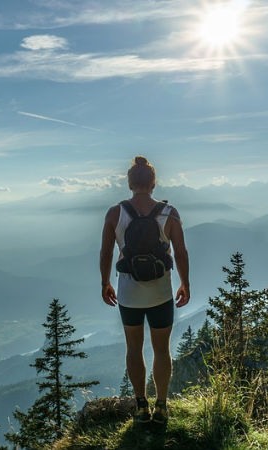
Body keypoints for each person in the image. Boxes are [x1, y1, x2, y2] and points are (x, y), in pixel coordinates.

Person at [100, 155, 190, 425]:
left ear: (129, 183)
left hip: (129, 293)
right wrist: (185, 282)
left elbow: (106, 252)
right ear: (153, 183)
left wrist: (105, 282)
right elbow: (181, 251)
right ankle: (161, 406)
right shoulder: (169, 213)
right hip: (161, 293)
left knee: (134, 348)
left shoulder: (115, 213)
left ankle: (141, 406)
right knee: (162, 350)